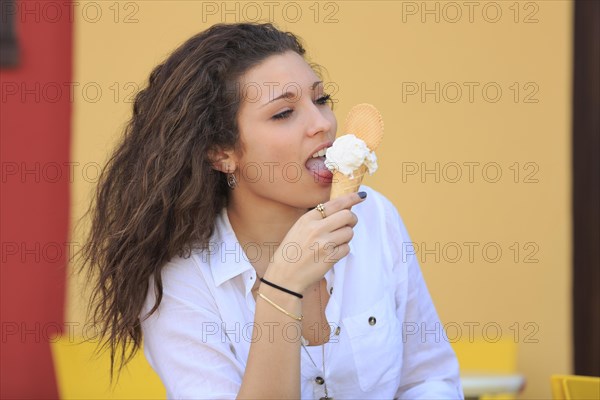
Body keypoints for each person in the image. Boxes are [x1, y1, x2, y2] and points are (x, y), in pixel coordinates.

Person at [79, 22, 463, 399]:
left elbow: (428, 379)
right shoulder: (181, 278)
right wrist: (283, 287)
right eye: (283, 113)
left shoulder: (374, 218)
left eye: (321, 100)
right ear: (221, 152)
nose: (322, 124)